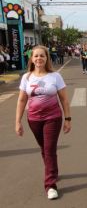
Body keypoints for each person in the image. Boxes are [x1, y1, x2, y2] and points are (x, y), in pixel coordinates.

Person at [15, 45, 71, 199]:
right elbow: (21, 100)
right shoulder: (27, 77)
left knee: (49, 148)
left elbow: (64, 100)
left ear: (47, 58)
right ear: (32, 59)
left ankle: (50, 184)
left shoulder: (55, 77)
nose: (39, 58)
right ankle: (52, 171)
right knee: (44, 148)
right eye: (36, 56)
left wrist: (67, 119)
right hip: (33, 119)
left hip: (53, 118)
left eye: (42, 56)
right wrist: (17, 122)